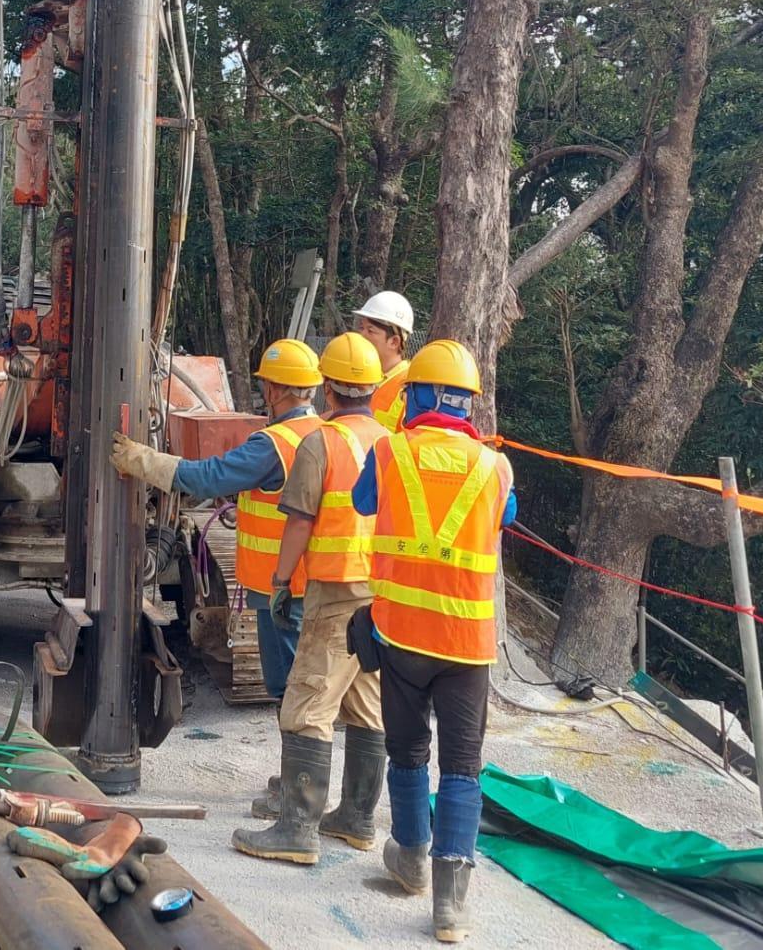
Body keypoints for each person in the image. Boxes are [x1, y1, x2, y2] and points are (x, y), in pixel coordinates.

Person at [351, 339, 515, 944]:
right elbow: (508, 515)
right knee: (464, 765)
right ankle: (450, 904)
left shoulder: (391, 452)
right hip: (467, 646)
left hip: (401, 637)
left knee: (409, 750)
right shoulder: (494, 466)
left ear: (412, 394)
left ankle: (412, 858)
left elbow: (362, 501)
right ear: (470, 404)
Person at [235, 332, 388, 866]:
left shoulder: (320, 443)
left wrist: (279, 580)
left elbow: (299, 522)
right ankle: (357, 818)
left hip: (334, 590)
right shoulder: (389, 441)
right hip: (379, 595)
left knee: (306, 704)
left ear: (328, 389)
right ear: (371, 387)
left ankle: (297, 829)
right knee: (366, 703)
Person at [111, 339, 323, 707]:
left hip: (284, 587)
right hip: (321, 580)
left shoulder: (274, 445)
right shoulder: (326, 434)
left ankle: (301, 765)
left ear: (273, 389)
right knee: (307, 689)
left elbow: (209, 477)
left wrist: (144, 461)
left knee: (291, 692)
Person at [355, 290, 414, 432]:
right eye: (361, 328)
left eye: (371, 330)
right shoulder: (359, 375)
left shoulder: (410, 385)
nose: (361, 335)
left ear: (394, 341)